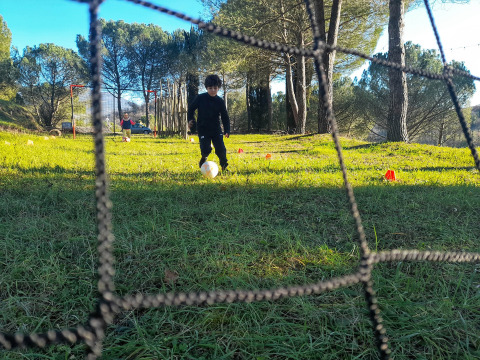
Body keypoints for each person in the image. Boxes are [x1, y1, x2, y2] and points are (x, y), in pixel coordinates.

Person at [188, 74, 230, 171]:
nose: (213, 90)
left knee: (221, 149)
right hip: (203, 128)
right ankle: (204, 157)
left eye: (215, 88)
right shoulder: (200, 98)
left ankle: (224, 166)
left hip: (216, 129)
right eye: (210, 88)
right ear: (206, 88)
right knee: (206, 149)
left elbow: (225, 116)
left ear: (218, 88)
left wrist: (227, 129)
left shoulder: (220, 101)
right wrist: (190, 119)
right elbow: (191, 109)